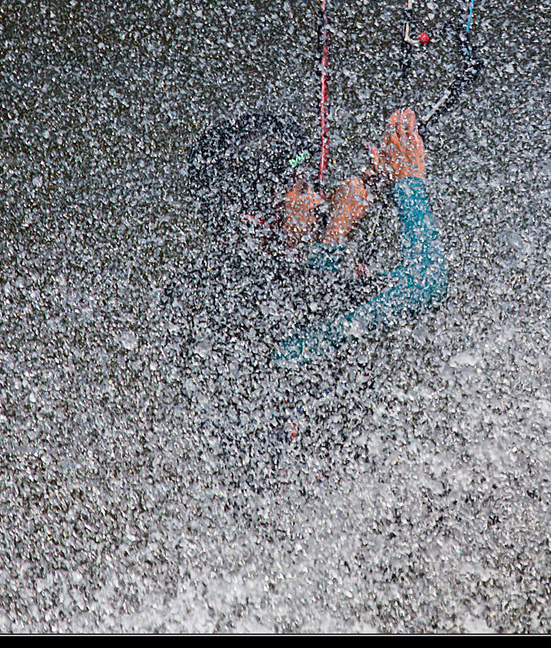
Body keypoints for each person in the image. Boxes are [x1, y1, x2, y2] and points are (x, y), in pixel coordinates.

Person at [175, 106, 448, 475]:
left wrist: (330, 241)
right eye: (302, 188)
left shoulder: (204, 283)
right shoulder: (246, 296)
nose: (319, 200)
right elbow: (427, 282)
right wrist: (407, 182)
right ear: (254, 216)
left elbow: (313, 316)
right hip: (291, 510)